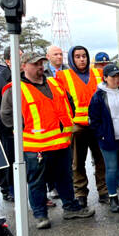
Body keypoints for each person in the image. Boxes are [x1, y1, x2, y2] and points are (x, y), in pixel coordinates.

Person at [0, 53, 95, 229]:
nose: (40, 67)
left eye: (41, 63)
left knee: (65, 178)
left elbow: (70, 104)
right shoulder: (15, 89)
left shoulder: (53, 83)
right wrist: (24, 130)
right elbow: (6, 116)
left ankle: (70, 207)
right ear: (24, 66)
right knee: (37, 182)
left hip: (61, 143)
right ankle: (40, 215)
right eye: (35, 64)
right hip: (36, 147)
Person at [56, 46, 108, 207]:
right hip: (77, 127)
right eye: (77, 56)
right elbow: (60, 101)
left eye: (84, 56)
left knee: (101, 160)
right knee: (77, 162)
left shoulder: (98, 74)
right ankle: (80, 193)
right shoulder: (62, 76)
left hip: (97, 125)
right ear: (72, 59)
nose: (81, 59)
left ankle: (104, 191)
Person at [88, 64, 119, 213]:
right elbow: (94, 119)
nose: (117, 79)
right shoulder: (99, 96)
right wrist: (102, 134)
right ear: (105, 78)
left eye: (118, 75)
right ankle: (113, 198)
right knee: (111, 169)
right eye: (113, 76)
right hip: (108, 138)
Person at [44, 45, 69, 201]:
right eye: (55, 54)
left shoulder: (68, 71)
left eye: (60, 54)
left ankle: (66, 188)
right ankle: (52, 186)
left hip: (65, 120)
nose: (59, 57)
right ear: (48, 56)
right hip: (50, 121)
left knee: (66, 159)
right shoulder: (44, 73)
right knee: (50, 159)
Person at [0, 47, 21, 202]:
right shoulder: (0, 79)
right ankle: (9, 190)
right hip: (6, 129)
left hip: (27, 127)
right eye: (17, 56)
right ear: (8, 61)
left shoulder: (26, 76)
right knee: (8, 161)